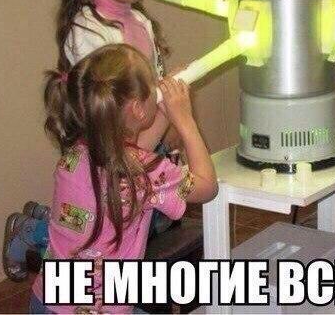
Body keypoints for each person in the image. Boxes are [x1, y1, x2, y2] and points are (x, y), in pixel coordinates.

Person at [3, 0, 180, 281]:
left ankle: (44, 217)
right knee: (101, 230)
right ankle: (30, 231)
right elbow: (109, 106)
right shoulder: (86, 30)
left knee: (141, 220)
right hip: (103, 147)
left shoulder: (140, 21)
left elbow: (151, 86)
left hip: (140, 136)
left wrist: (170, 119)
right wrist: (156, 131)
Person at [29, 43, 217, 313]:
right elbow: (207, 187)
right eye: (152, 82)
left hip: (47, 302)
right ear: (138, 109)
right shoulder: (144, 171)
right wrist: (185, 121)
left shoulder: (77, 155)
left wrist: (165, 111)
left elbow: (134, 157)